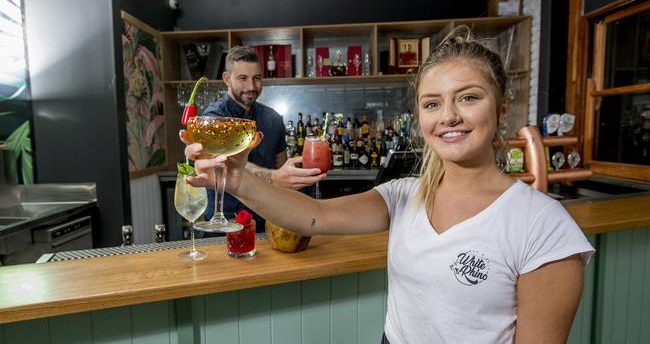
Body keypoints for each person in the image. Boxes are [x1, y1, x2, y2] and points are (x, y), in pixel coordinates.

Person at [181, 28, 594, 343]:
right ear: (421, 117)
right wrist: (234, 179)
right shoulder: (406, 194)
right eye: (432, 103)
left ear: (501, 110)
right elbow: (315, 216)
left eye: (468, 97)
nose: (448, 116)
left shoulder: (543, 227)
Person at [188, 45, 325, 231]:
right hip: (224, 225)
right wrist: (274, 178)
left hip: (266, 221)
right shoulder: (214, 118)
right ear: (227, 79)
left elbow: (280, 165)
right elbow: (226, 163)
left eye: (257, 78)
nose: (251, 87)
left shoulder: (273, 119)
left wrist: (292, 179)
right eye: (243, 78)